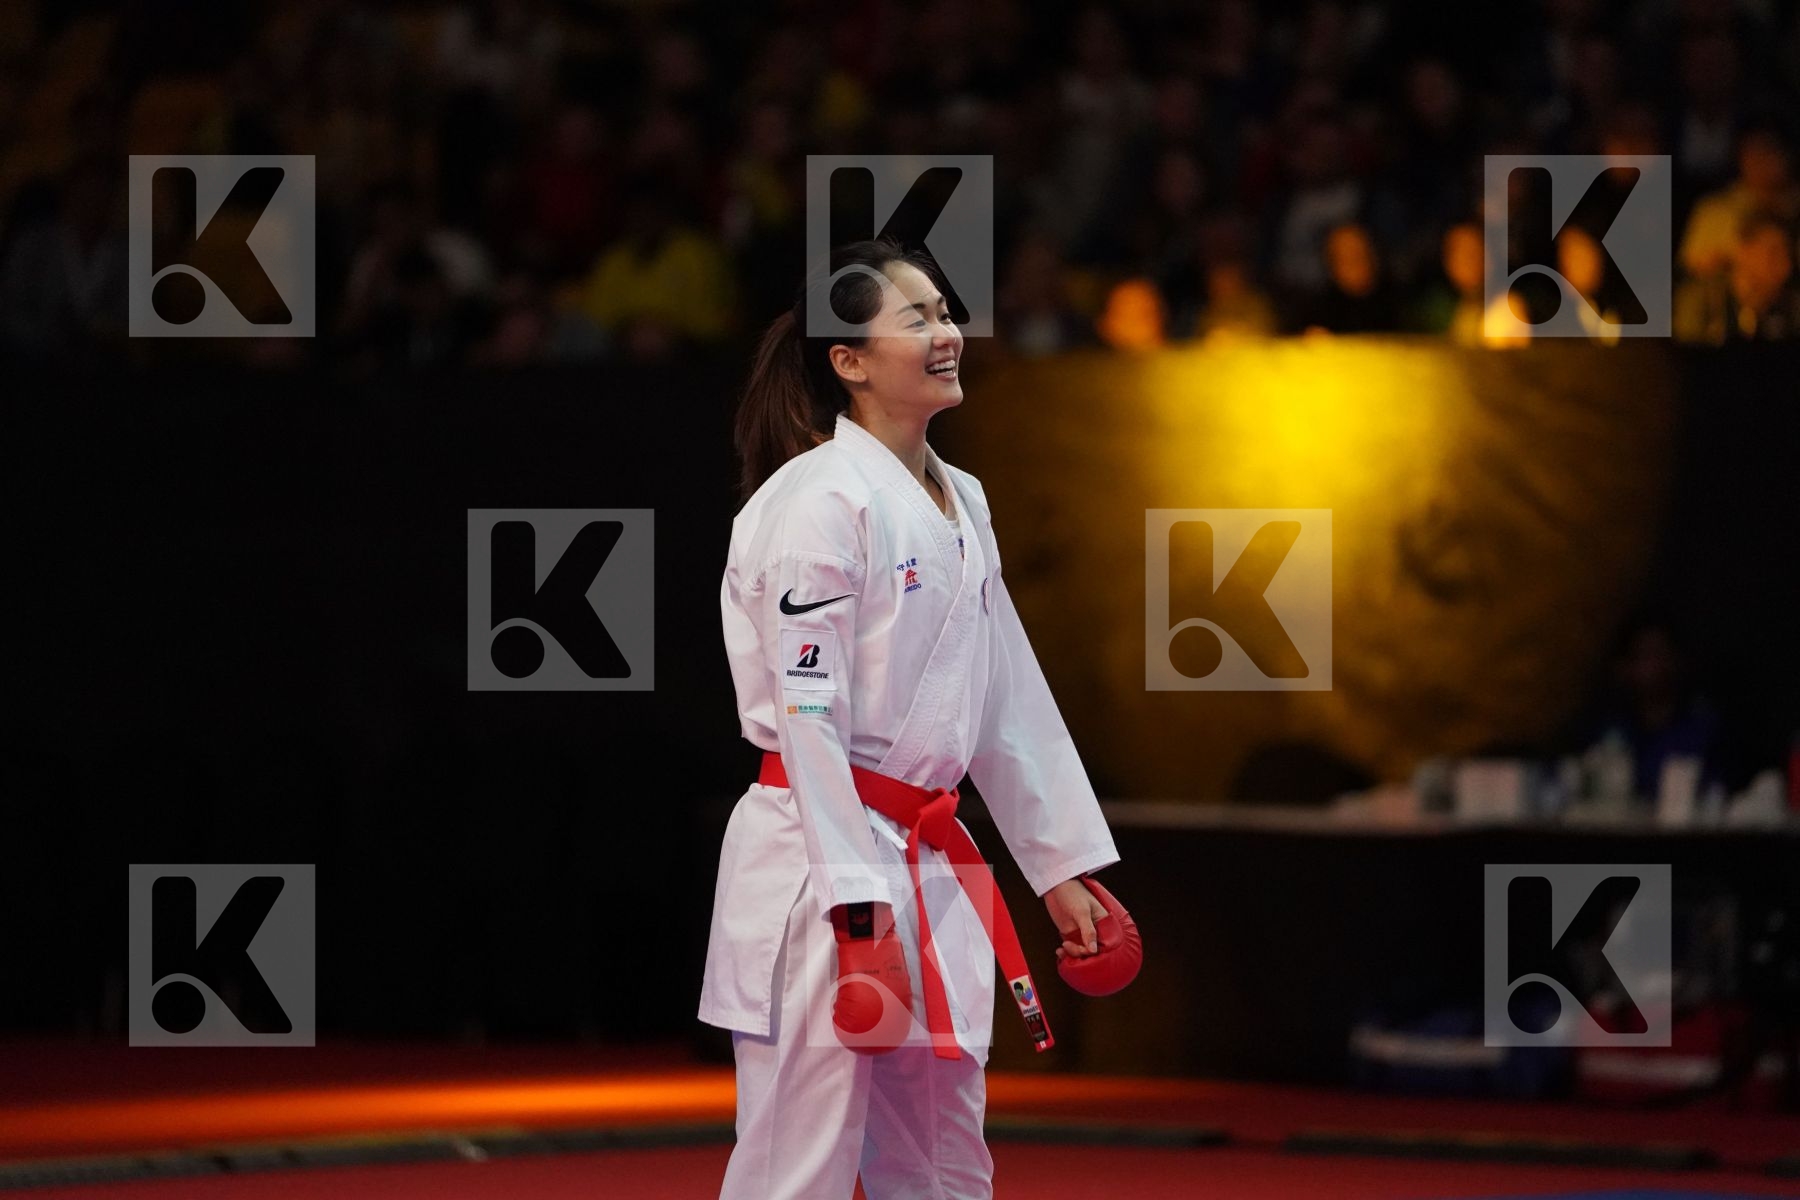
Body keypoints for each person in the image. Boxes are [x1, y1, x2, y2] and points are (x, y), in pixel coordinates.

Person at [699, 237, 1125, 1198]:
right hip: (818, 870)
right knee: (794, 1165)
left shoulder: (961, 500)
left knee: (942, 1158)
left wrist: (1059, 869)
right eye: (918, 319)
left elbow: (1006, 694)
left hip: (929, 858)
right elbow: (809, 720)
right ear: (848, 362)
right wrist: (858, 904)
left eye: (946, 313)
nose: (946, 334)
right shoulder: (812, 505)